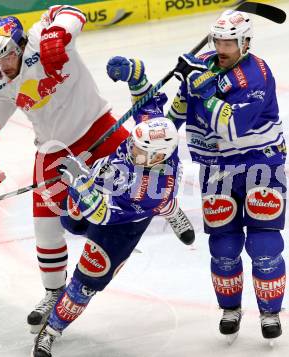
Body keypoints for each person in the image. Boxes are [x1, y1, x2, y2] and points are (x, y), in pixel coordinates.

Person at [0, 5, 130, 333]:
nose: (4, 64)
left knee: (146, 179)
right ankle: (54, 293)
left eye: (8, 54)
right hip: (54, 149)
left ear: (22, 44)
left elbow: (68, 12)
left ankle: (170, 207)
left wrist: (59, 34)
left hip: (100, 130)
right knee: (45, 223)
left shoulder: (41, 39)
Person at [31, 56, 188, 357]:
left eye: (141, 152)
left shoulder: (150, 189)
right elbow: (146, 100)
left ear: (157, 159)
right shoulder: (152, 135)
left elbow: (101, 214)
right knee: (70, 222)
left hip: (120, 224)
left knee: (88, 278)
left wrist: (80, 181)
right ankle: (171, 209)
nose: (133, 150)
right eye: (135, 145)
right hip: (102, 190)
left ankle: (51, 330)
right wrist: (133, 71)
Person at [169, 9, 287, 342]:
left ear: (245, 43)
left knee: (264, 244)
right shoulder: (202, 64)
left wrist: (203, 90)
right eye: (218, 40)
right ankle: (230, 308)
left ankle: (269, 313)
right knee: (223, 246)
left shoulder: (257, 74)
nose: (222, 47)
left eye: (230, 42)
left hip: (259, 166)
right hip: (216, 170)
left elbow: (233, 127)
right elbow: (177, 111)